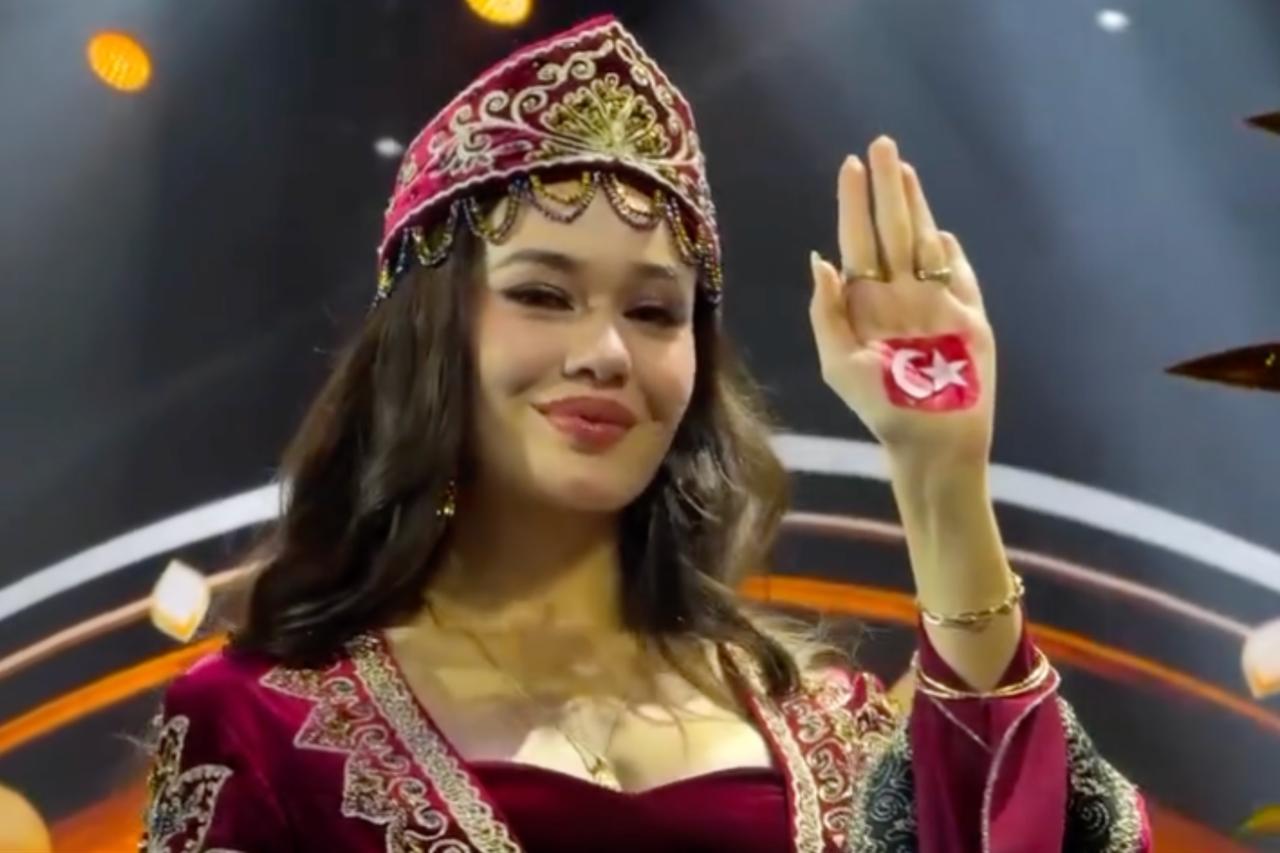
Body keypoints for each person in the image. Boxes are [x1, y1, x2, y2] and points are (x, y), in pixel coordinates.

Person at [139, 14, 1149, 852]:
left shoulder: (826, 728)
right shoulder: (263, 723)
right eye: (542, 294)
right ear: (428, 342)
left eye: (656, 312)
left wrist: (939, 479)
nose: (608, 352)